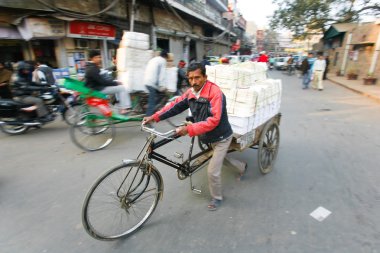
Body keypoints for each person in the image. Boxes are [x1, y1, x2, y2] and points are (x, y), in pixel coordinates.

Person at [143, 63, 247, 211]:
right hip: (206, 136)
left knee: (212, 170)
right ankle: (242, 167)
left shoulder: (215, 93)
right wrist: (154, 117)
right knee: (219, 160)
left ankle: (217, 197)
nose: (193, 82)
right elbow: (175, 105)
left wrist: (189, 129)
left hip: (221, 137)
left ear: (205, 77)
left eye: (197, 77)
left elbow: (214, 120)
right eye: (190, 78)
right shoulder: (191, 93)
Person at [85, 50, 131, 114]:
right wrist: (116, 83)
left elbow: (102, 79)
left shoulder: (90, 66)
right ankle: (124, 108)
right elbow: (102, 81)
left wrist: (114, 82)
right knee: (122, 88)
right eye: (98, 57)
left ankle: (118, 104)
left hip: (96, 88)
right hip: (98, 89)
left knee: (117, 86)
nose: (100, 59)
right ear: (93, 58)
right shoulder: (92, 68)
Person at [143, 50, 169, 116]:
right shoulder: (163, 61)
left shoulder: (153, 59)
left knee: (159, 95)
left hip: (146, 81)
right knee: (153, 101)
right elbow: (161, 75)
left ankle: (148, 105)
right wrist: (162, 86)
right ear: (165, 57)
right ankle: (147, 119)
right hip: (152, 83)